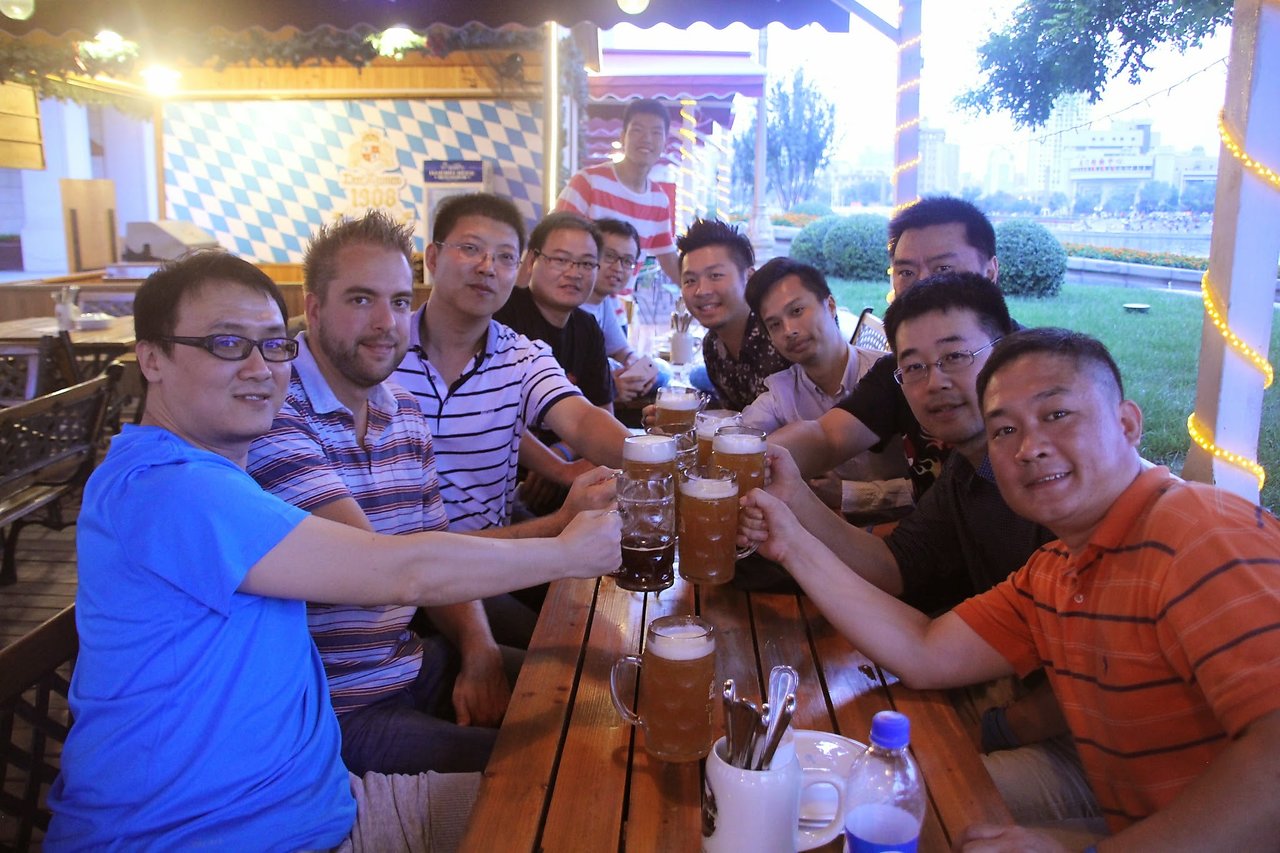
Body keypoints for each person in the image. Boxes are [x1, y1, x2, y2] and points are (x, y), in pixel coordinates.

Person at [45, 251, 620, 849]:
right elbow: (395, 568)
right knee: (579, 796)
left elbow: (411, 554)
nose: (259, 367)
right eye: (225, 343)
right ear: (152, 359)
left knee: (589, 754)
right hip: (207, 833)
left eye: (273, 344)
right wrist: (568, 549)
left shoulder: (209, 475)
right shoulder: (169, 488)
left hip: (319, 801)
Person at [743, 327, 1280, 850]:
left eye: (1056, 415)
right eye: (1004, 430)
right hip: (1128, 812)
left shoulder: (1200, 532)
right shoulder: (1056, 567)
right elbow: (925, 651)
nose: (1029, 448)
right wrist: (791, 543)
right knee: (866, 801)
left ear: (1127, 423)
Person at [246, 212, 614, 776]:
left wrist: (477, 649)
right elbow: (389, 570)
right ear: (313, 306)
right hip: (334, 709)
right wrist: (565, 538)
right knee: (561, 768)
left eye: (396, 302)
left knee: (602, 703)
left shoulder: (403, 411)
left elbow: (430, 544)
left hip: (408, 661)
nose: (385, 322)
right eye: (360, 300)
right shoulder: (274, 411)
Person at [392, 193, 629, 536]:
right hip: (383, 573)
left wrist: (668, 464)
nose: (487, 266)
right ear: (432, 256)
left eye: (505, 256)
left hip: (489, 565)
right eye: (471, 249)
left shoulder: (523, 356)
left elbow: (582, 419)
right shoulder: (384, 350)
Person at [769, 195, 1001, 498]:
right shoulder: (901, 370)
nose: (923, 285)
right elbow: (826, 437)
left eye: (943, 268)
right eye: (906, 272)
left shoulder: (1029, 370)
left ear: (990, 273)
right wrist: (741, 458)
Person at [740, 256, 912, 522]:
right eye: (775, 324)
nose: (789, 330)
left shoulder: (892, 377)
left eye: (797, 311)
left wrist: (847, 493)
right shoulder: (781, 393)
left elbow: (928, 485)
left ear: (830, 305)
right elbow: (741, 436)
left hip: (903, 531)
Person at [495, 211, 613, 415]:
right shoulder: (501, 316)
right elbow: (495, 420)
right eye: (560, 259)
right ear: (532, 260)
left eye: (586, 264)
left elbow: (602, 412)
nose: (574, 273)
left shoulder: (588, 328)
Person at [556, 98, 681, 285]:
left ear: (664, 144)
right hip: (579, 303)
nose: (646, 138)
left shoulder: (658, 200)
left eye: (656, 132)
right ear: (623, 137)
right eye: (638, 130)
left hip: (621, 310)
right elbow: (554, 239)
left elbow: (669, 259)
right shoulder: (588, 182)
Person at [677, 218, 789, 411]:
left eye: (715, 275)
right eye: (690, 280)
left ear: (749, 277)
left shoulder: (779, 334)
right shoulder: (712, 345)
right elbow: (734, 416)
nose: (701, 291)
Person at [587, 217, 664, 404]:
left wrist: (637, 366)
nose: (618, 268)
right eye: (610, 256)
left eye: (627, 261)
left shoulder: (606, 302)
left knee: (661, 374)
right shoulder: (569, 305)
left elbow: (621, 349)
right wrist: (607, 387)